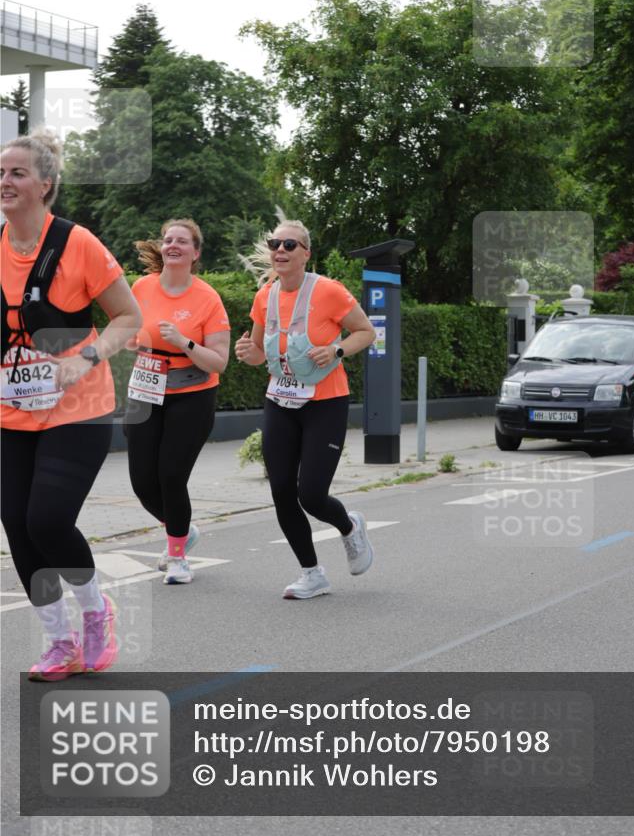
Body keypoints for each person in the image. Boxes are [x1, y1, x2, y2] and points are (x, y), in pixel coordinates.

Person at [0, 129, 141, 681]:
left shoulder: (77, 244)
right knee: (17, 524)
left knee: (49, 519)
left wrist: (84, 359)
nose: (4, 182)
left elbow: (128, 318)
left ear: (46, 184)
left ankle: (94, 613)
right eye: (0, 172)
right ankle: (58, 641)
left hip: (78, 407)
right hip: (12, 410)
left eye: (16, 172)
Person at [235, 220, 376, 599]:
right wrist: (249, 355)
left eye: (289, 245)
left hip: (325, 403)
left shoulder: (328, 291)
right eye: (275, 243)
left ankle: (349, 527)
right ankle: (312, 573)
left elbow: (366, 331)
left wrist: (337, 349)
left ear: (305, 254)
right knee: (282, 490)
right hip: (279, 400)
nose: (280, 250)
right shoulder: (264, 295)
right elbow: (260, 352)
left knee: (311, 494)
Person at [125, 219, 230, 585]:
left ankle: (177, 557)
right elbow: (128, 328)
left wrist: (185, 341)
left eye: (181, 241)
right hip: (145, 388)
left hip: (192, 393)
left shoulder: (207, 298)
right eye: (168, 239)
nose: (172, 245)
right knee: (141, 481)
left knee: (171, 474)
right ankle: (181, 530)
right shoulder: (141, 287)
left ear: (195, 252)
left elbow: (219, 361)